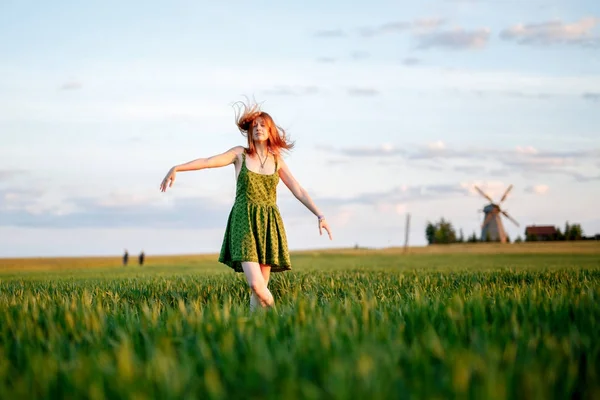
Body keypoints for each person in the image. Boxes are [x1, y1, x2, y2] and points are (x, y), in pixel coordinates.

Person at [159, 100, 333, 310]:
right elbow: (208, 161)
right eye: (254, 126)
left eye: (263, 125)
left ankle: (255, 328)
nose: (258, 128)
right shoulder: (239, 154)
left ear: (270, 131)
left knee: (258, 291)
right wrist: (177, 168)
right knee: (256, 284)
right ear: (250, 132)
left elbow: (298, 189)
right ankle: (282, 318)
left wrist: (320, 215)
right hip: (244, 221)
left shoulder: (277, 160)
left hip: (268, 222)